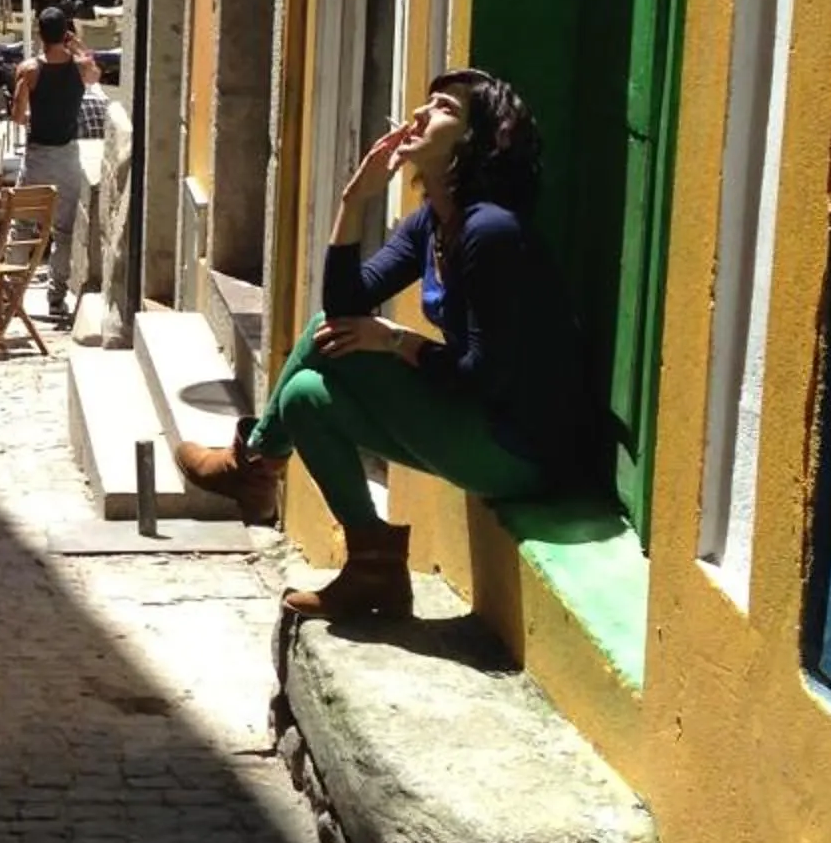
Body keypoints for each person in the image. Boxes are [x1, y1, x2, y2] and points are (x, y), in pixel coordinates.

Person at [177, 67, 591, 619]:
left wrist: (396, 341)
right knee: (304, 396)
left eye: (444, 108)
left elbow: (484, 375)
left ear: (479, 139)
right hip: (470, 426)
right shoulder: (432, 224)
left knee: (332, 335)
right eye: (426, 102)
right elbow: (350, 303)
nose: (421, 113)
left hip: (517, 450)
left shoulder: (491, 233)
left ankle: (253, 464)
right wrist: (356, 198)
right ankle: (375, 567)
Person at [10, 6, 100, 324]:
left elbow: (18, 117)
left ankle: (12, 293)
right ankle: (56, 299)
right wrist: (75, 46)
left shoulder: (28, 70)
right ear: (65, 33)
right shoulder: (80, 69)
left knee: (21, 227)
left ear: (38, 33)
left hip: (37, 158)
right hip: (68, 158)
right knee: (64, 233)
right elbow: (95, 73)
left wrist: (34, 114)